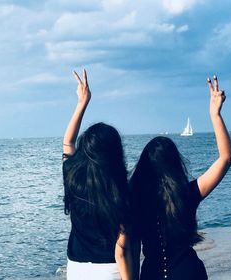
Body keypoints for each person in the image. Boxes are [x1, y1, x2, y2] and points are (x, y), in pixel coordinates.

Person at [130, 75, 231, 280]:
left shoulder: (134, 200)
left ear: (144, 168)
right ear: (175, 165)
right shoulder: (187, 194)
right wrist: (215, 114)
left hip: (152, 274)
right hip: (189, 272)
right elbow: (227, 157)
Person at [62, 69, 132, 280]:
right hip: (109, 269)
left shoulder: (72, 176)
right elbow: (121, 247)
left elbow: (68, 143)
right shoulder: (119, 188)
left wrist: (82, 102)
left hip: (76, 269)